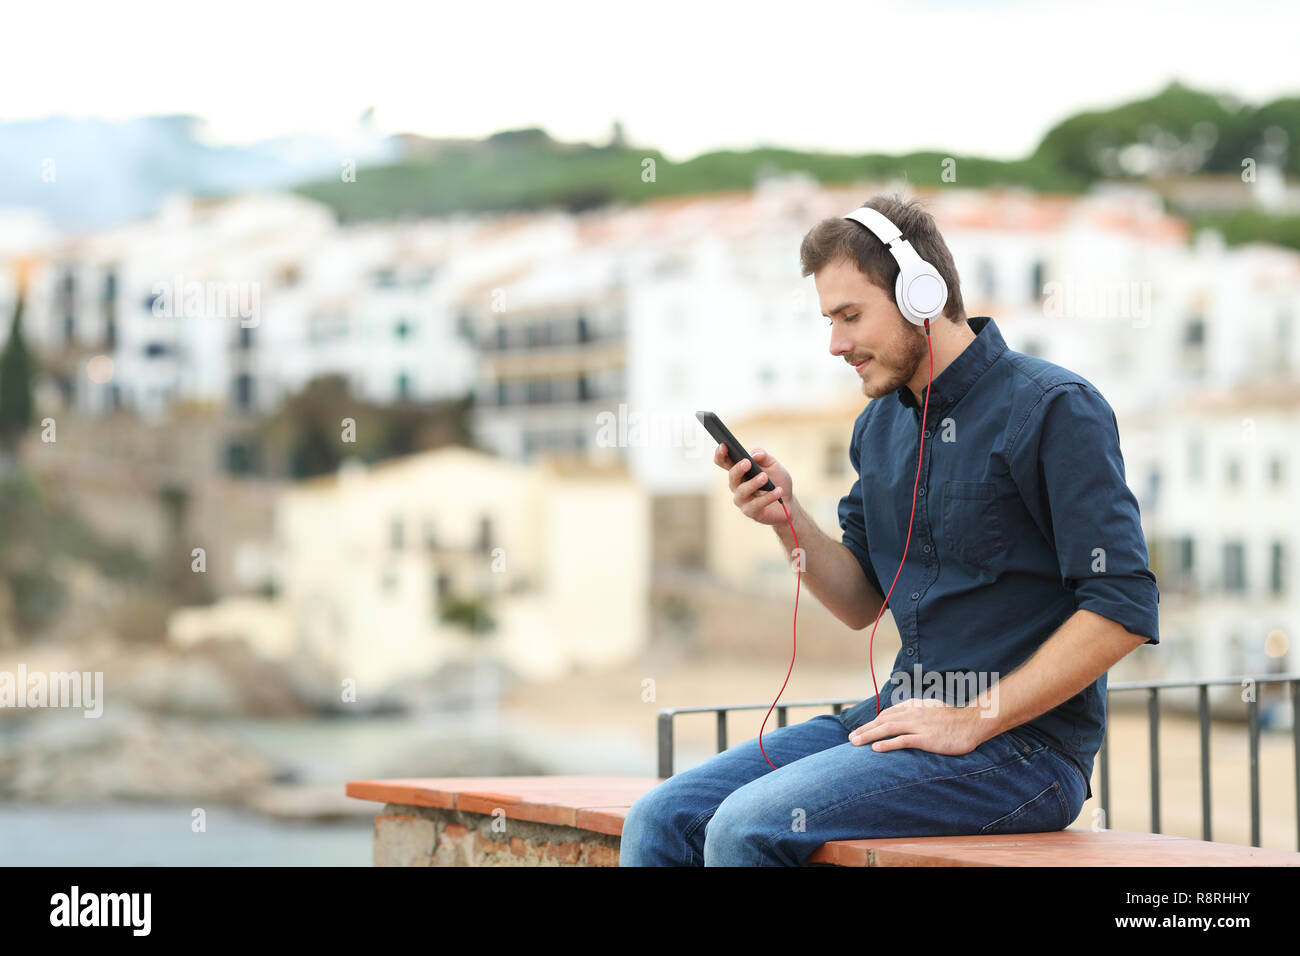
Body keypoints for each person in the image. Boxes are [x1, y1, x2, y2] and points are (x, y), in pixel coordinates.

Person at [619, 194, 1160, 866]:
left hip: (1026, 750)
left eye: (850, 316)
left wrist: (972, 718)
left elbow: (1124, 607)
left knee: (743, 828)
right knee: (659, 818)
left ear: (922, 295)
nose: (836, 345)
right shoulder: (877, 427)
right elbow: (859, 602)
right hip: (898, 718)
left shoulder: (1056, 408)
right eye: (829, 320)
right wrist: (789, 523)